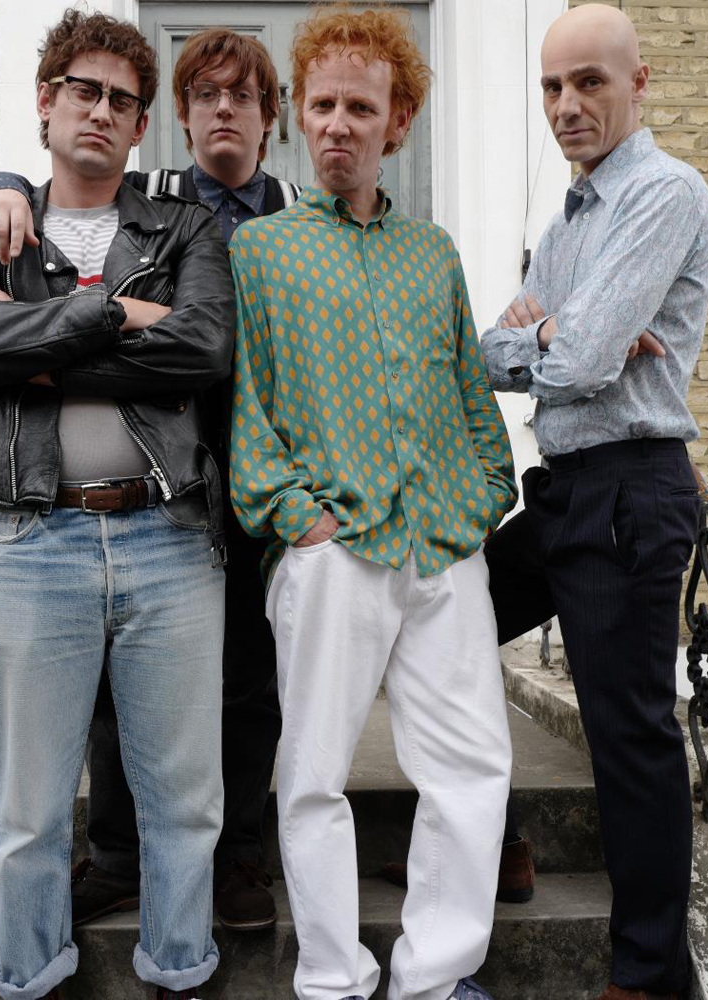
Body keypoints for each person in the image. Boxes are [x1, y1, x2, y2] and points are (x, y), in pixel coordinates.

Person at [0, 28, 300, 933]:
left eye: (243, 96)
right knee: (101, 700)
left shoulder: (282, 212)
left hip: (240, 474)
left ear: (271, 117)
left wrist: (37, 353)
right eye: (206, 95)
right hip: (138, 471)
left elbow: (207, 344)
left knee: (242, 686)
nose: (224, 111)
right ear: (175, 117)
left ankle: (232, 864)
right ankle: (111, 863)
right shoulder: (148, 198)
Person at [228, 8, 516, 1000]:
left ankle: (435, 976)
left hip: (441, 545)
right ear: (298, 117)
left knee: (472, 765)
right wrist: (293, 518)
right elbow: (247, 406)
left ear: (398, 123)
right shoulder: (260, 253)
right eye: (323, 105)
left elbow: (471, 393)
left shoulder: (434, 253)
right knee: (313, 775)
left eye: (361, 107)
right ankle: (332, 979)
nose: (339, 124)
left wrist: (484, 497)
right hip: (332, 549)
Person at [479, 7, 708, 1000]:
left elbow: (574, 359)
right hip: (565, 490)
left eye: (589, 82)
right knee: (442, 623)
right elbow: (494, 351)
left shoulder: (664, 194)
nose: (567, 105)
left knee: (628, 739)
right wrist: (554, 334)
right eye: (552, 86)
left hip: (629, 490)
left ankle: (649, 973)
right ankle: (497, 841)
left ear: (638, 82)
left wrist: (557, 335)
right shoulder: (571, 217)